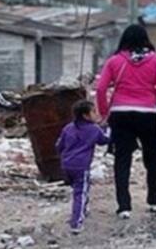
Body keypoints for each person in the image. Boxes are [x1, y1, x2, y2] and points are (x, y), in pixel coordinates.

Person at [96, 24, 156, 219]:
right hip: (148, 114)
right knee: (152, 157)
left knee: (122, 158)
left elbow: (101, 88)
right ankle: (153, 200)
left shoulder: (114, 61)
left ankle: (124, 206)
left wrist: (105, 112)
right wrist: (152, 92)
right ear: (146, 39)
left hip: (120, 114)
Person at [55, 100, 111, 234]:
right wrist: (109, 129)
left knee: (80, 188)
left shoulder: (68, 128)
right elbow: (104, 141)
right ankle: (76, 222)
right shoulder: (94, 129)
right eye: (93, 112)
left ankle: (82, 210)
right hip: (81, 166)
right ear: (86, 115)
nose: (96, 114)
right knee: (80, 193)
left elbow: (59, 146)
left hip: (66, 164)